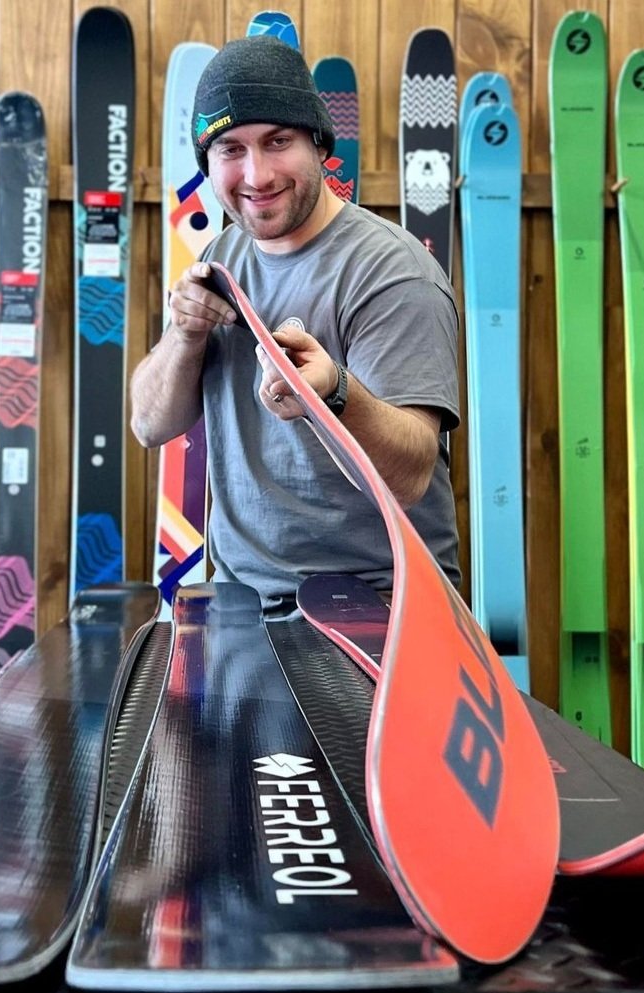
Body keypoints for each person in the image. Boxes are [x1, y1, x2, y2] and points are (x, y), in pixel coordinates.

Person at [130, 35, 460, 615]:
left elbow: (410, 475)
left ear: (317, 144)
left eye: (277, 142)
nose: (256, 174)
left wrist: (332, 395)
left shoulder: (391, 272)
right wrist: (183, 335)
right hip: (242, 603)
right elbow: (149, 424)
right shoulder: (223, 256)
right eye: (230, 149)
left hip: (381, 607)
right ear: (207, 163)